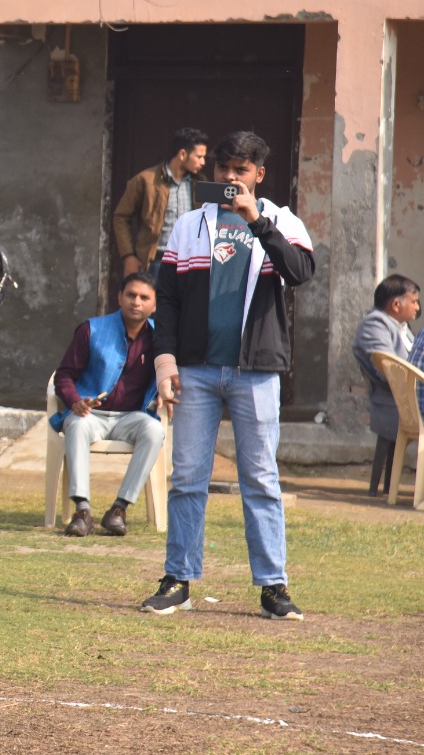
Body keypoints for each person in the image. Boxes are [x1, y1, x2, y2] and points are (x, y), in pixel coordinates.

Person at [141, 130, 315, 623]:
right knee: (188, 478)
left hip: (255, 372)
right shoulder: (188, 224)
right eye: (224, 169)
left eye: (242, 170)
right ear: (213, 172)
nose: (231, 178)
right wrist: (165, 361)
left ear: (259, 174)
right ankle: (178, 580)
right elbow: (168, 300)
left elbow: (300, 271)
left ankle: (273, 586)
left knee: (260, 478)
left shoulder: (281, 220)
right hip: (194, 370)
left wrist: (255, 220)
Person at [50, 272, 166, 537]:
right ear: (119, 298)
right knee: (76, 425)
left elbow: (169, 372)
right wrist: (75, 401)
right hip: (90, 415)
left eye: (144, 297)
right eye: (131, 295)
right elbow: (64, 375)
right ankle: (82, 510)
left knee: (154, 430)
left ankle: (119, 509)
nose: (136, 302)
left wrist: (164, 388)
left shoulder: (160, 338)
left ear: (154, 305)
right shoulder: (91, 329)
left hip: (132, 417)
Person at [351, 274, 419, 492]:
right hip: (395, 403)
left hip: (411, 397)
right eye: (414, 301)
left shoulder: (400, 326)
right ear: (396, 304)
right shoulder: (375, 325)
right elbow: (389, 371)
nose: (417, 307)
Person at [113, 128, 209, 277]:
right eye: (199, 156)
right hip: (157, 260)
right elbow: (121, 217)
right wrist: (128, 256)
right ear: (182, 154)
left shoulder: (201, 182)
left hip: (190, 260)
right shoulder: (146, 180)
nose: (203, 162)